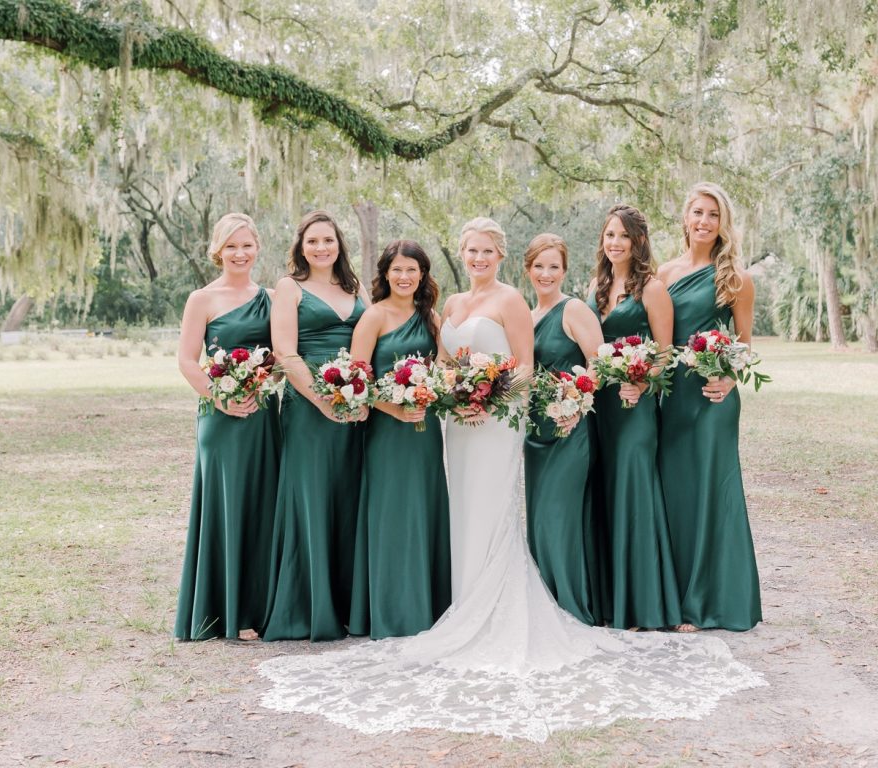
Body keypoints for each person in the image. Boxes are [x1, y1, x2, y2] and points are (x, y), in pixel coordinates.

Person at [258, 218, 765, 741]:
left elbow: (524, 366)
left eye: (487, 251)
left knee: (491, 505)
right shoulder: (451, 306)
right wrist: (454, 392)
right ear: (462, 253)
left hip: (497, 422)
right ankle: (461, 601)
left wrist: (488, 395)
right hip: (457, 424)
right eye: (471, 250)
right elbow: (441, 363)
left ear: (501, 256)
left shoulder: (512, 302)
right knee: (461, 508)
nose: (478, 258)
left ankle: (496, 606)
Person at [657, 182, 762, 632]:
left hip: (712, 396)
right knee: (675, 491)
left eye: (713, 215)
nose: (704, 221)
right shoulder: (663, 273)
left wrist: (728, 377)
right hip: (671, 397)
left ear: (723, 224)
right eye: (698, 212)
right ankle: (671, 594)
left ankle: (702, 603)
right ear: (685, 217)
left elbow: (745, 343)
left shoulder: (735, 278)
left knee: (709, 491)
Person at [262, 210, 368, 641]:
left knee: (349, 496)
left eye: (328, 240)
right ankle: (308, 607)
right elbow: (285, 353)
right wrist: (323, 401)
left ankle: (350, 605)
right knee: (312, 496)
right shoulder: (290, 288)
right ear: (301, 247)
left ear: (339, 244)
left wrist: (363, 395)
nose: (321, 248)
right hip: (309, 408)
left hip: (355, 407)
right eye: (313, 241)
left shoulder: (355, 288)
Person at [174, 213, 280, 641]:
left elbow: (283, 356)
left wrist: (263, 380)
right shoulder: (202, 299)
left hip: (262, 415)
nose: (240, 253)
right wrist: (221, 397)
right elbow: (186, 360)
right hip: (219, 418)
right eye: (231, 246)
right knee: (226, 504)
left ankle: (259, 607)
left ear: (257, 248)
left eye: (247, 245)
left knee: (262, 506)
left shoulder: (273, 298)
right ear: (218, 251)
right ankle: (226, 612)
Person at [346, 240, 451, 639]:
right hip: (387, 431)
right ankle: (391, 610)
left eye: (412, 270)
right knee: (391, 512)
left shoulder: (432, 318)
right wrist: (395, 408)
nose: (404, 277)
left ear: (422, 275)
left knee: (423, 508)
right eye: (397, 270)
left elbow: (444, 369)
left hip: (424, 431)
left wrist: (428, 393)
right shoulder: (373, 317)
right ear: (385, 274)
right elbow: (355, 382)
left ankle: (427, 606)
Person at [588, 205, 681, 631]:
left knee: (633, 490)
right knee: (604, 491)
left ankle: (642, 604)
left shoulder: (653, 289)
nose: (615, 242)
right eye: (610, 234)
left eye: (623, 235)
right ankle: (610, 600)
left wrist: (642, 383)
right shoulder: (596, 286)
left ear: (639, 240)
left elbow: (666, 352)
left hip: (633, 408)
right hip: (598, 407)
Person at [522, 233, 604, 625]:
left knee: (559, 520)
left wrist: (578, 404)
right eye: (539, 266)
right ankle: (546, 606)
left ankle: (571, 610)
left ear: (564, 271)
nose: (546, 273)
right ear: (527, 269)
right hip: (534, 435)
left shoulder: (574, 310)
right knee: (539, 522)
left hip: (569, 430)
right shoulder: (526, 316)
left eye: (554, 266)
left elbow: (598, 362)